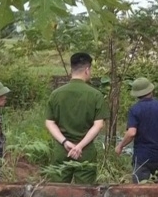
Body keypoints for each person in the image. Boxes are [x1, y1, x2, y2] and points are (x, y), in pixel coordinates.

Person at [44, 52, 109, 184]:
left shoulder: (56, 94)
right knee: (85, 193)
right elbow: (98, 125)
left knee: (58, 191)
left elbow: (50, 122)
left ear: (71, 69)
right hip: (86, 151)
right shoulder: (96, 95)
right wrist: (79, 146)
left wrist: (65, 142)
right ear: (87, 70)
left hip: (62, 151)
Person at [115, 77, 158, 183]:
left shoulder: (135, 109)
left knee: (140, 190)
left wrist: (120, 146)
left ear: (137, 94)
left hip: (142, 157)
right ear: (151, 90)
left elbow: (131, 133)